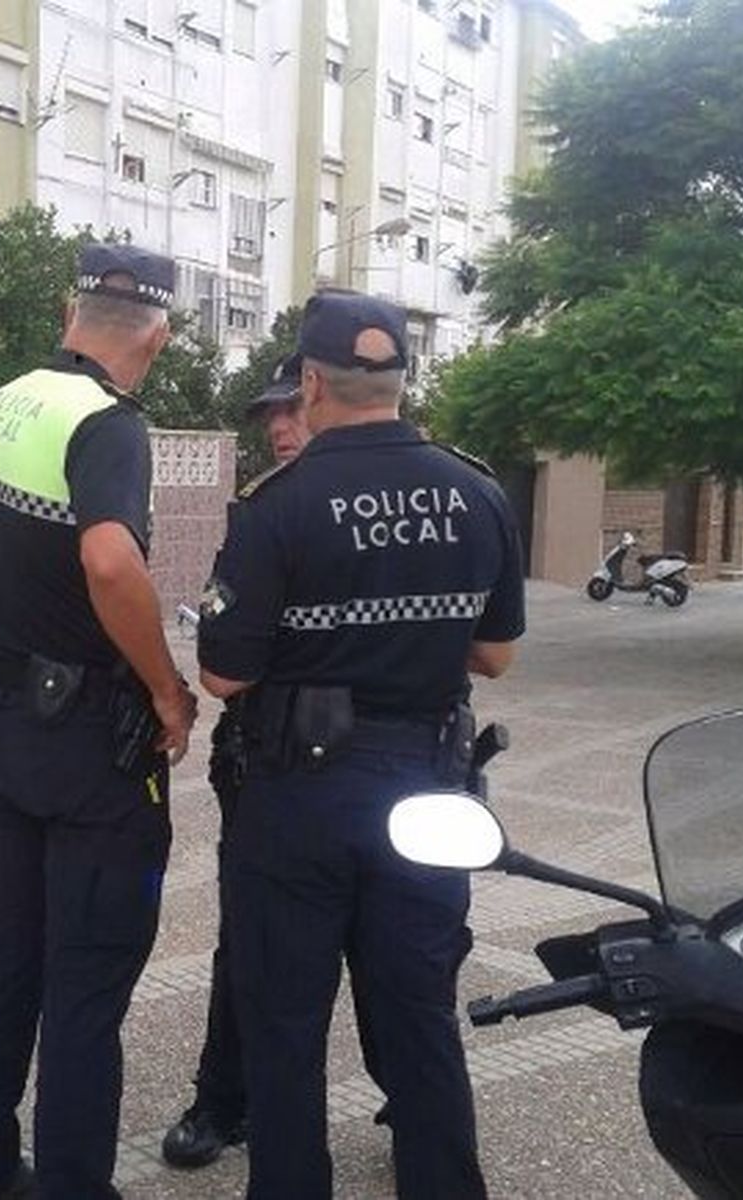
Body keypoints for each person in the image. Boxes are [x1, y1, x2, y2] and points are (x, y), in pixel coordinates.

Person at [196, 289, 525, 1199]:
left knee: (285, 1024)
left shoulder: (276, 504)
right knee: (419, 1016)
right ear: (401, 381)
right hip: (427, 788)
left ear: (311, 382)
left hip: (296, 798)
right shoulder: (477, 491)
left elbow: (223, 674)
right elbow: (495, 654)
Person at [0, 242, 200, 1200]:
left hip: (5, 730)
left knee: (5, 956)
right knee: (87, 984)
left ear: (68, 311)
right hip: (95, 745)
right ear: (158, 337)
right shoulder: (108, 424)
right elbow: (109, 562)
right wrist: (166, 689)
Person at [162, 352, 393, 1171]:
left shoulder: (400, 497)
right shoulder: (264, 509)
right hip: (276, 759)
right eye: (272, 416)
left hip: (391, 761)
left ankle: (411, 1095)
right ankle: (224, 1099)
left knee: (393, 950)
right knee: (250, 945)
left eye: (295, 409)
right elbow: (227, 655)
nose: (283, 428)